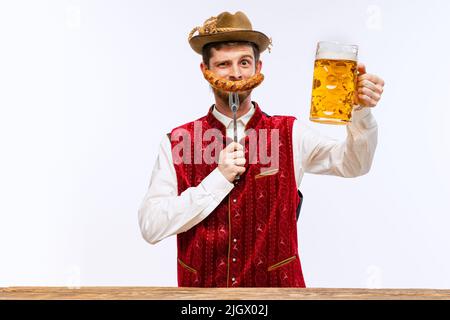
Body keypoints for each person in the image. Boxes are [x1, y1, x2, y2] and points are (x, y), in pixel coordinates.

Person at [138, 11, 384, 287]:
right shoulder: (176, 141)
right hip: (202, 301)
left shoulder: (291, 133)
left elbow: (355, 163)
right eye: (223, 64)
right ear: (205, 71)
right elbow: (151, 225)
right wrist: (218, 179)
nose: (235, 73)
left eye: (244, 62)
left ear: (258, 68)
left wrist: (360, 112)